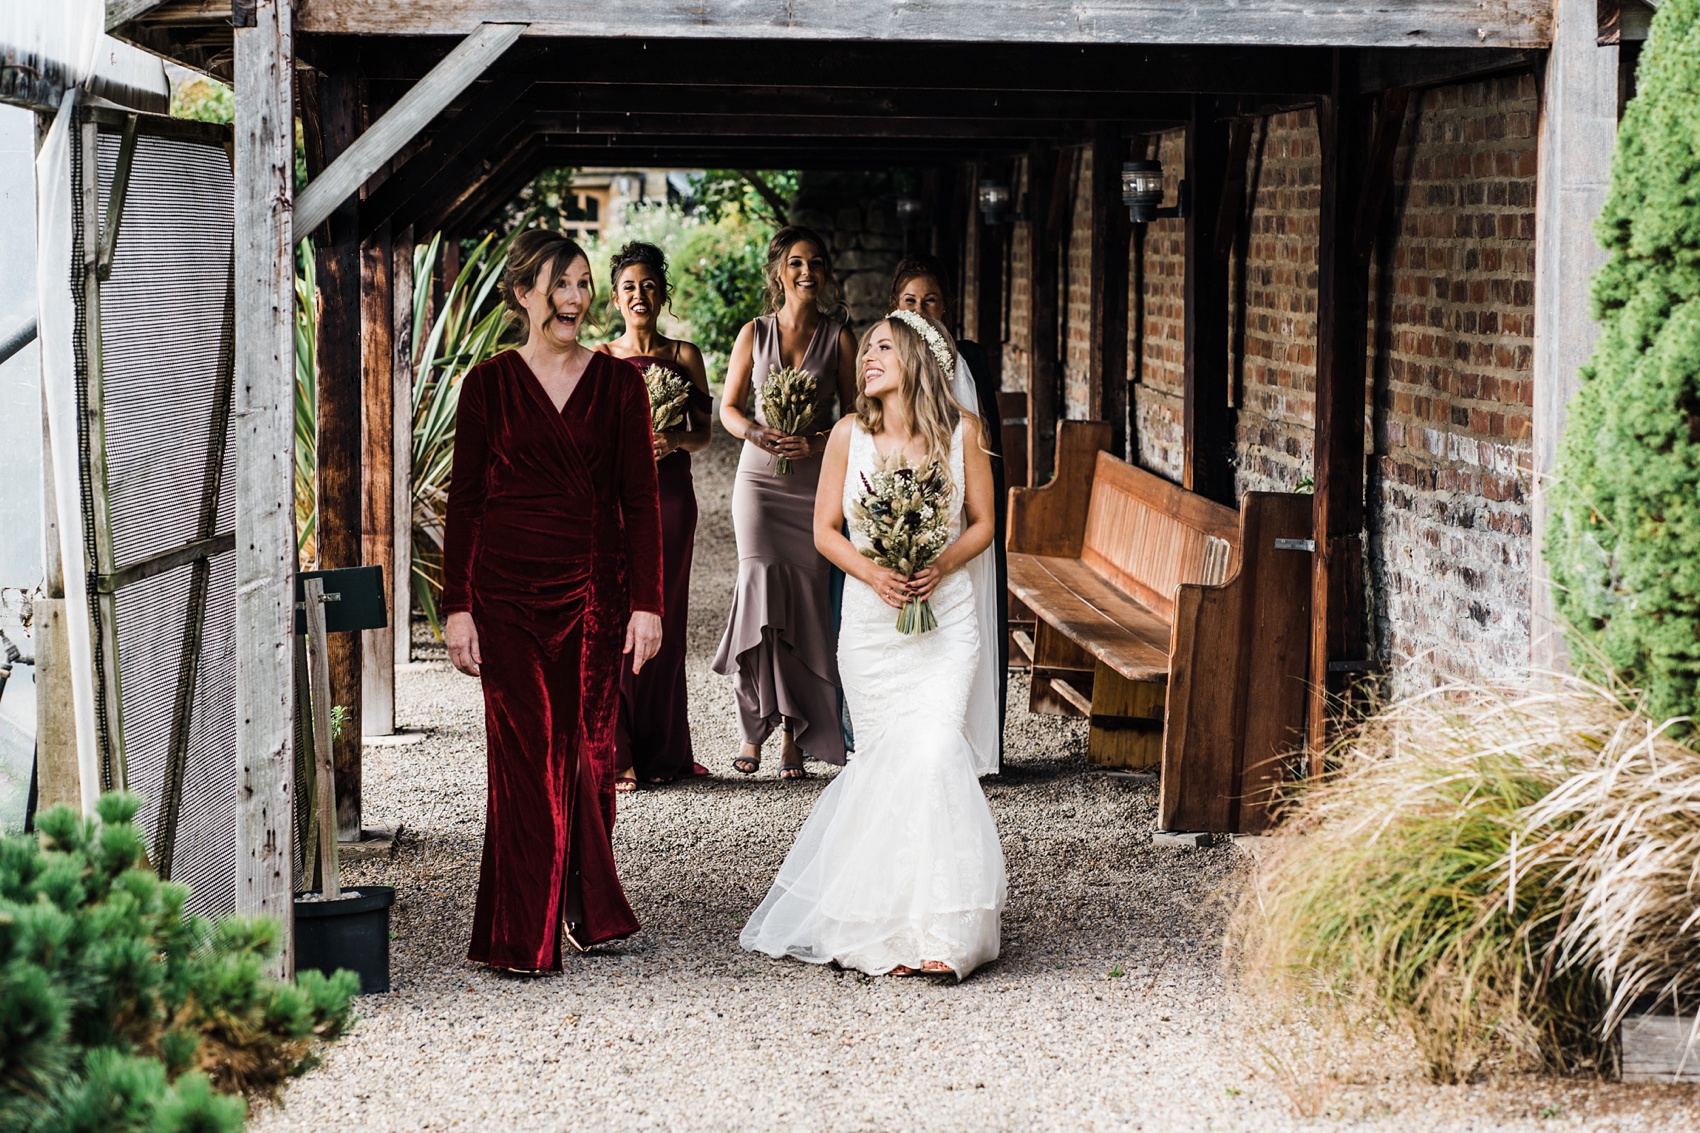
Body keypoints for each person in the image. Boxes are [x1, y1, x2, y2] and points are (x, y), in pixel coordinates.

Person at [741, 310, 1006, 979]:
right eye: (870, 350)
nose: (869, 357)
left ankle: (946, 926)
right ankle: (884, 921)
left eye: (885, 347)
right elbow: (826, 529)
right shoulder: (846, 434)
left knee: (938, 746)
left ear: (918, 357)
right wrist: (877, 572)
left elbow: (984, 523)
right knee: (890, 757)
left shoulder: (962, 434)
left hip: (946, 617)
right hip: (870, 621)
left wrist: (938, 565)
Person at [442, 229, 663, 972]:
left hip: (593, 595)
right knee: (524, 757)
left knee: (586, 758)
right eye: (559, 285)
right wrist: (456, 606)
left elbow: (642, 499)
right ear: (523, 294)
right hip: (504, 597)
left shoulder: (619, 386)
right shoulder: (487, 385)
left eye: (580, 284)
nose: (574, 299)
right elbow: (464, 503)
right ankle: (518, 934)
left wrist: (647, 603)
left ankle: (584, 906)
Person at [713, 226, 858, 780]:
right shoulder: (754, 333)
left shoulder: (839, 338)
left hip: (814, 485)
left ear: (824, 274)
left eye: (816, 263)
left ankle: (795, 740)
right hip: (759, 483)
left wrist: (817, 441)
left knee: (806, 604)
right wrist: (755, 433)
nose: (806, 272)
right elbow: (727, 407)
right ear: (779, 271)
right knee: (759, 599)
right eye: (796, 262)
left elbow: (854, 416)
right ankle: (752, 729)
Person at [596, 242, 713, 792]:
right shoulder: (601, 358)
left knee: (664, 614)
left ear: (662, 294)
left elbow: (705, 434)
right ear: (615, 297)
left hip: (671, 499)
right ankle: (617, 751)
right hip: (619, 501)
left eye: (648, 286)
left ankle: (662, 749)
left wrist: (672, 439)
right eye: (628, 287)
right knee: (618, 611)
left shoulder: (685, 355)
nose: (638, 295)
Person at [890, 257, 1009, 761]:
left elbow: (990, 437)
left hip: (964, 507)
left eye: (931, 300)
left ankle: (972, 737)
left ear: (948, 307)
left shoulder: (972, 359)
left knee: (972, 618)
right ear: (895, 308)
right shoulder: (885, 356)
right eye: (910, 301)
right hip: (905, 506)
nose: (921, 309)